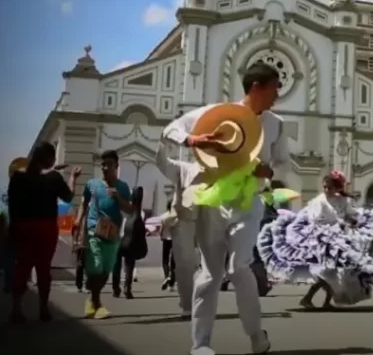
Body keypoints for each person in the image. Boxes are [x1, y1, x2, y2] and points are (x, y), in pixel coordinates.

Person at [160, 62, 289, 355]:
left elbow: (283, 163)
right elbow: (172, 129)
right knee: (210, 273)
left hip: (249, 203)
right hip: (214, 202)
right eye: (274, 88)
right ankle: (200, 344)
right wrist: (192, 139)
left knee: (238, 266)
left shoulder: (276, 124)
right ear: (257, 87)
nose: (277, 95)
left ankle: (256, 334)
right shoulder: (218, 114)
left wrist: (267, 172)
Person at [259, 171, 373, 310]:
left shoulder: (341, 200)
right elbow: (315, 219)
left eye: (330, 188)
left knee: (335, 272)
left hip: (339, 238)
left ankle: (322, 301)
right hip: (320, 239)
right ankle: (309, 298)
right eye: (325, 187)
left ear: (338, 188)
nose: (326, 190)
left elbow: (350, 214)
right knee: (327, 271)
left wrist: (352, 221)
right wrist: (338, 223)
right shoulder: (319, 201)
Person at [7, 142, 80, 322]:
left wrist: (13, 229)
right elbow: (69, 196)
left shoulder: (17, 177)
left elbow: (13, 205)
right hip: (45, 228)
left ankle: (16, 309)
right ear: (47, 158)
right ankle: (43, 309)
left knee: (22, 266)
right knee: (43, 268)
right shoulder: (54, 178)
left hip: (22, 226)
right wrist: (72, 177)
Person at [79, 150, 134, 319]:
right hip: (94, 229)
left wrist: (118, 198)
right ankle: (97, 304)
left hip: (113, 233)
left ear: (116, 166)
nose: (105, 167)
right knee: (96, 263)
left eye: (109, 164)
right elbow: (84, 203)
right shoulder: (92, 184)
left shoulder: (123, 187)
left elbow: (130, 209)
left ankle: (92, 300)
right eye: (103, 164)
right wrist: (78, 220)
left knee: (105, 270)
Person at [154, 138, 202, 317]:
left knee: (211, 266)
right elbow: (161, 162)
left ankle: (202, 299)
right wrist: (165, 143)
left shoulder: (219, 172)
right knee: (184, 265)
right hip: (185, 221)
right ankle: (187, 305)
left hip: (208, 222)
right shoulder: (184, 169)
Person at [113, 186, 147, 299]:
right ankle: (127, 287)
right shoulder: (140, 213)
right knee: (129, 265)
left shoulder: (125, 208)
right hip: (131, 241)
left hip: (120, 238)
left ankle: (116, 288)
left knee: (117, 264)